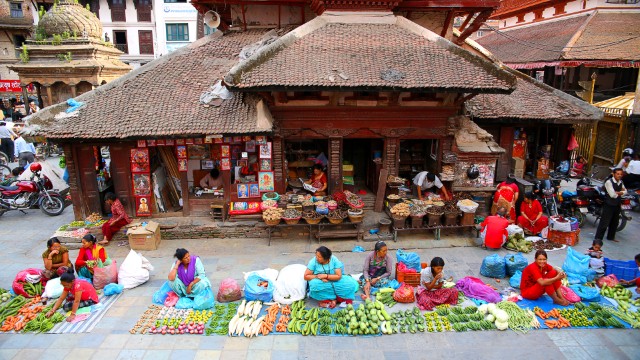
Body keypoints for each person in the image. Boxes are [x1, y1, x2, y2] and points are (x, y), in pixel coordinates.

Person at [595, 168, 626, 243]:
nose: (619, 175)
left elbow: (625, 191)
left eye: (621, 174)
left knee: (615, 222)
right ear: (613, 174)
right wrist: (621, 193)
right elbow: (612, 195)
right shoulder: (609, 182)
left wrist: (618, 193)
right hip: (609, 204)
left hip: (617, 204)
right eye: (617, 174)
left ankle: (611, 237)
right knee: (604, 222)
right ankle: (598, 239)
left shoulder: (621, 182)